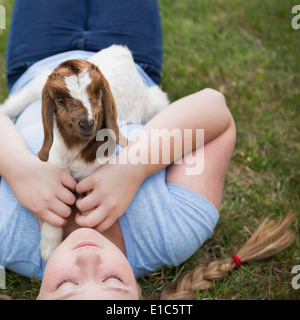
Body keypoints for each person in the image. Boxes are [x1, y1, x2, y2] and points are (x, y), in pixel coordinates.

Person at [0, 1, 295, 300]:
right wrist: (133, 166)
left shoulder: (7, 239)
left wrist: (17, 167)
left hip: (38, 57)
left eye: (65, 287)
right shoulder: (169, 235)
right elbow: (214, 109)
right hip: (131, 56)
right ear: (140, 294)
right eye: (113, 280)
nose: (88, 260)